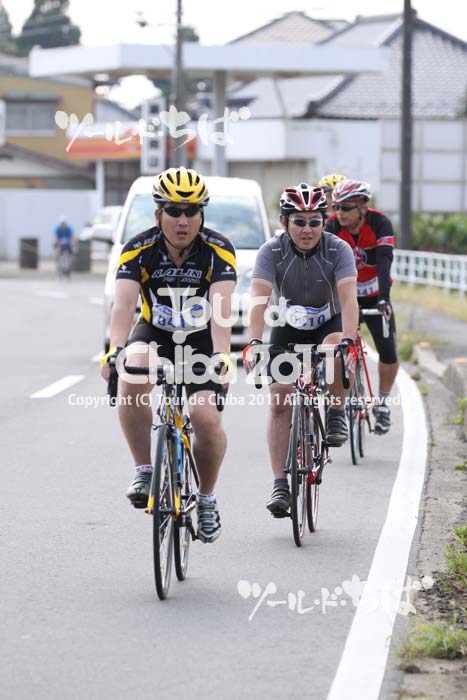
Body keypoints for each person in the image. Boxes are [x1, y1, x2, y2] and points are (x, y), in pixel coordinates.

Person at [100, 167, 236, 543]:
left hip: (200, 339)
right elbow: (123, 306)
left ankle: (206, 498)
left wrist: (222, 356)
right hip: (155, 333)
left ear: (201, 215)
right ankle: (144, 469)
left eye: (191, 211)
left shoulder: (218, 249)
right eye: (174, 211)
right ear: (158, 213)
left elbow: (221, 311)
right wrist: (114, 350)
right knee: (132, 370)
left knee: (205, 418)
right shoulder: (138, 248)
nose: (183, 220)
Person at [243, 183, 359, 517]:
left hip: (328, 322)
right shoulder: (271, 251)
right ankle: (280, 484)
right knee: (280, 397)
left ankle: (336, 412)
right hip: (288, 325)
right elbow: (259, 300)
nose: (307, 229)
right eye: (299, 222)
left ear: (324, 222)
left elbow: (349, 300)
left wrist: (349, 340)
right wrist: (254, 342)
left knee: (336, 350)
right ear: (284, 222)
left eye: (314, 222)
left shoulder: (338, 249)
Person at [325, 179, 399, 435]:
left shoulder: (380, 223)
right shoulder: (331, 226)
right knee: (341, 347)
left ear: (362, 207)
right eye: (336, 207)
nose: (340, 213)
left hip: (375, 295)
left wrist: (384, 299)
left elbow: (384, 262)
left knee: (388, 352)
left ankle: (383, 403)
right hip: (346, 296)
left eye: (346, 208)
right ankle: (340, 400)